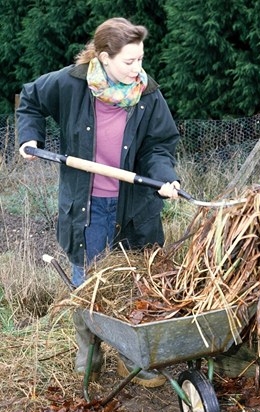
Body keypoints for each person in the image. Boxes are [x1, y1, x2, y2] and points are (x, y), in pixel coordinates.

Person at [17, 17, 180, 387]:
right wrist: (30, 139)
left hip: (134, 209)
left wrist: (164, 176)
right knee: (86, 284)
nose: (138, 69)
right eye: (129, 61)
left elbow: (159, 145)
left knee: (133, 283)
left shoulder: (147, 94)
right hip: (86, 209)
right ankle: (89, 347)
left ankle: (131, 353)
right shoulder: (71, 84)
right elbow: (30, 99)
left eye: (140, 59)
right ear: (105, 57)